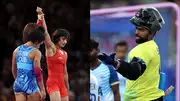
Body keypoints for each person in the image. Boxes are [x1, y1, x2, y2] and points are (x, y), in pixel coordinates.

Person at [98, 7, 165, 101]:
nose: (136, 32)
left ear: (152, 31)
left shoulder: (143, 48)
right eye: (136, 28)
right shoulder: (153, 46)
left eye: (141, 29)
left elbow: (134, 72)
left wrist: (115, 63)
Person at [36, 7, 70, 101]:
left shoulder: (65, 54)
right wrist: (41, 17)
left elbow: (65, 73)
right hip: (52, 83)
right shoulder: (51, 48)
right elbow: (45, 33)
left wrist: (67, 86)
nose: (65, 42)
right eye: (63, 39)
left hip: (62, 84)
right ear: (57, 38)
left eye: (66, 40)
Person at [12, 23, 46, 101]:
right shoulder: (36, 52)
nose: (41, 44)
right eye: (41, 42)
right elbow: (37, 72)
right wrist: (42, 89)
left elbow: (14, 70)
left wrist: (19, 81)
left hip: (18, 85)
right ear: (37, 38)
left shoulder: (16, 50)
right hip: (31, 86)